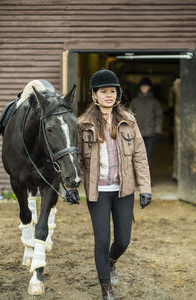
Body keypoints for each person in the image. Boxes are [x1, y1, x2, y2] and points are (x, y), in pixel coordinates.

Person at [78, 69, 151, 300]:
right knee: (101, 240)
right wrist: (70, 188)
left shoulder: (129, 121)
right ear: (94, 95)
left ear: (117, 94)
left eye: (112, 91)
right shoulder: (82, 124)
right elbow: (76, 159)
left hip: (123, 190)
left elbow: (140, 156)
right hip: (98, 192)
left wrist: (145, 189)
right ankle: (106, 288)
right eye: (103, 91)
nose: (108, 95)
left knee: (122, 240)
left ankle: (111, 262)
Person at [130, 77, 163, 175]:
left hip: (150, 134)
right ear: (139, 87)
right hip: (137, 133)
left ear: (150, 88)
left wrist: (158, 131)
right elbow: (129, 117)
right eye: (142, 86)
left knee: (148, 156)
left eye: (146, 86)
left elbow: (159, 117)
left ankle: (147, 179)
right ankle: (137, 178)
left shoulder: (154, 102)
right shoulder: (134, 101)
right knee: (136, 156)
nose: (144, 88)